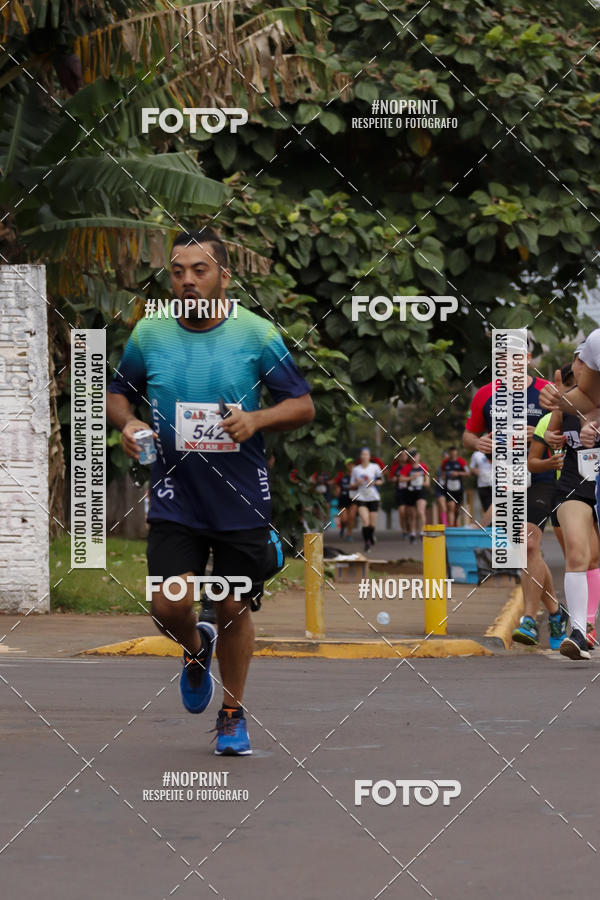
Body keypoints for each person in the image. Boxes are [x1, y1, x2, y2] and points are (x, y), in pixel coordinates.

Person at [106, 228, 314, 755]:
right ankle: (195, 650)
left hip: (241, 497)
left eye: (199, 270)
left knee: (232, 605)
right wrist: (127, 425)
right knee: (168, 607)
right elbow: (116, 395)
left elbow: (303, 405)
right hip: (176, 495)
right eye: (178, 272)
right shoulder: (148, 335)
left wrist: (257, 419)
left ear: (224, 275)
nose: (187, 281)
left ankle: (232, 714)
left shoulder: (257, 334)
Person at [463, 342, 562, 648]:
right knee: (529, 551)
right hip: (506, 477)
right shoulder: (485, 394)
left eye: (517, 357)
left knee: (529, 541)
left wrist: (540, 434)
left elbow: (566, 427)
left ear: (529, 359)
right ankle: (557, 614)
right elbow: (468, 433)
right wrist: (477, 443)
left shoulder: (546, 391)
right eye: (504, 358)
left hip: (542, 473)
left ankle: (529, 621)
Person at [539, 344, 600, 658]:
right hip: (576, 485)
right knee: (578, 550)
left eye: (584, 361)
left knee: (594, 559)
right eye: (578, 360)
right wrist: (551, 436)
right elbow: (550, 433)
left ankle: (588, 622)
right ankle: (577, 631)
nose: (580, 366)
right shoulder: (569, 402)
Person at [350, 447, 384, 551]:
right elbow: (351, 485)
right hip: (361, 497)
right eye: (363, 454)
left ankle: (371, 536)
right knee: (365, 521)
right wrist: (357, 483)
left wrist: (373, 482)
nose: (364, 456)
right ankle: (367, 543)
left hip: (373, 497)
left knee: (372, 524)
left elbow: (381, 481)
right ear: (360, 456)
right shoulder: (356, 469)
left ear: (369, 456)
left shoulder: (375, 467)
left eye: (366, 454)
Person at [399, 450, 430, 542]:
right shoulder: (407, 467)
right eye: (412, 456)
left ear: (418, 456)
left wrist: (424, 482)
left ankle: (422, 532)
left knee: (421, 512)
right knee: (412, 514)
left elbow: (427, 480)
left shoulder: (423, 466)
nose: (414, 458)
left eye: (415, 456)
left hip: (421, 491)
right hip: (410, 491)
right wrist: (412, 477)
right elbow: (401, 479)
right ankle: (412, 533)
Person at [441, 446, 468, 527]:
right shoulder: (445, 462)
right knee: (451, 506)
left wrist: (458, 473)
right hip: (449, 487)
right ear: (449, 452)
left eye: (454, 451)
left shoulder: (461, 461)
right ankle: (451, 527)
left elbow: (467, 473)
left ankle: (455, 521)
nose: (452, 453)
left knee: (457, 508)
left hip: (459, 488)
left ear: (456, 452)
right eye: (451, 451)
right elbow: (442, 472)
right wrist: (443, 479)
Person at [469, 446, 493, 527]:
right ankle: (487, 527)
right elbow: (471, 468)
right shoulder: (476, 454)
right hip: (482, 485)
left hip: (495, 484)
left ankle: (484, 526)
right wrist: (477, 472)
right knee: (487, 508)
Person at [335, 458, 357, 540]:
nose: (351, 466)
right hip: (343, 499)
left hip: (353, 500)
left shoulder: (357, 475)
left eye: (352, 464)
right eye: (349, 464)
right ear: (346, 466)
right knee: (344, 519)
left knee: (351, 517)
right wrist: (337, 490)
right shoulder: (341, 475)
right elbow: (336, 485)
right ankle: (343, 527)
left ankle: (349, 534)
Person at [390, 449, 410, 537]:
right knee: (402, 512)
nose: (403, 457)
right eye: (401, 455)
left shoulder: (410, 466)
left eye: (405, 455)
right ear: (398, 457)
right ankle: (404, 531)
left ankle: (409, 525)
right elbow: (390, 478)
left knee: (409, 512)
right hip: (399, 492)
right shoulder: (395, 467)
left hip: (410, 492)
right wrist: (395, 479)